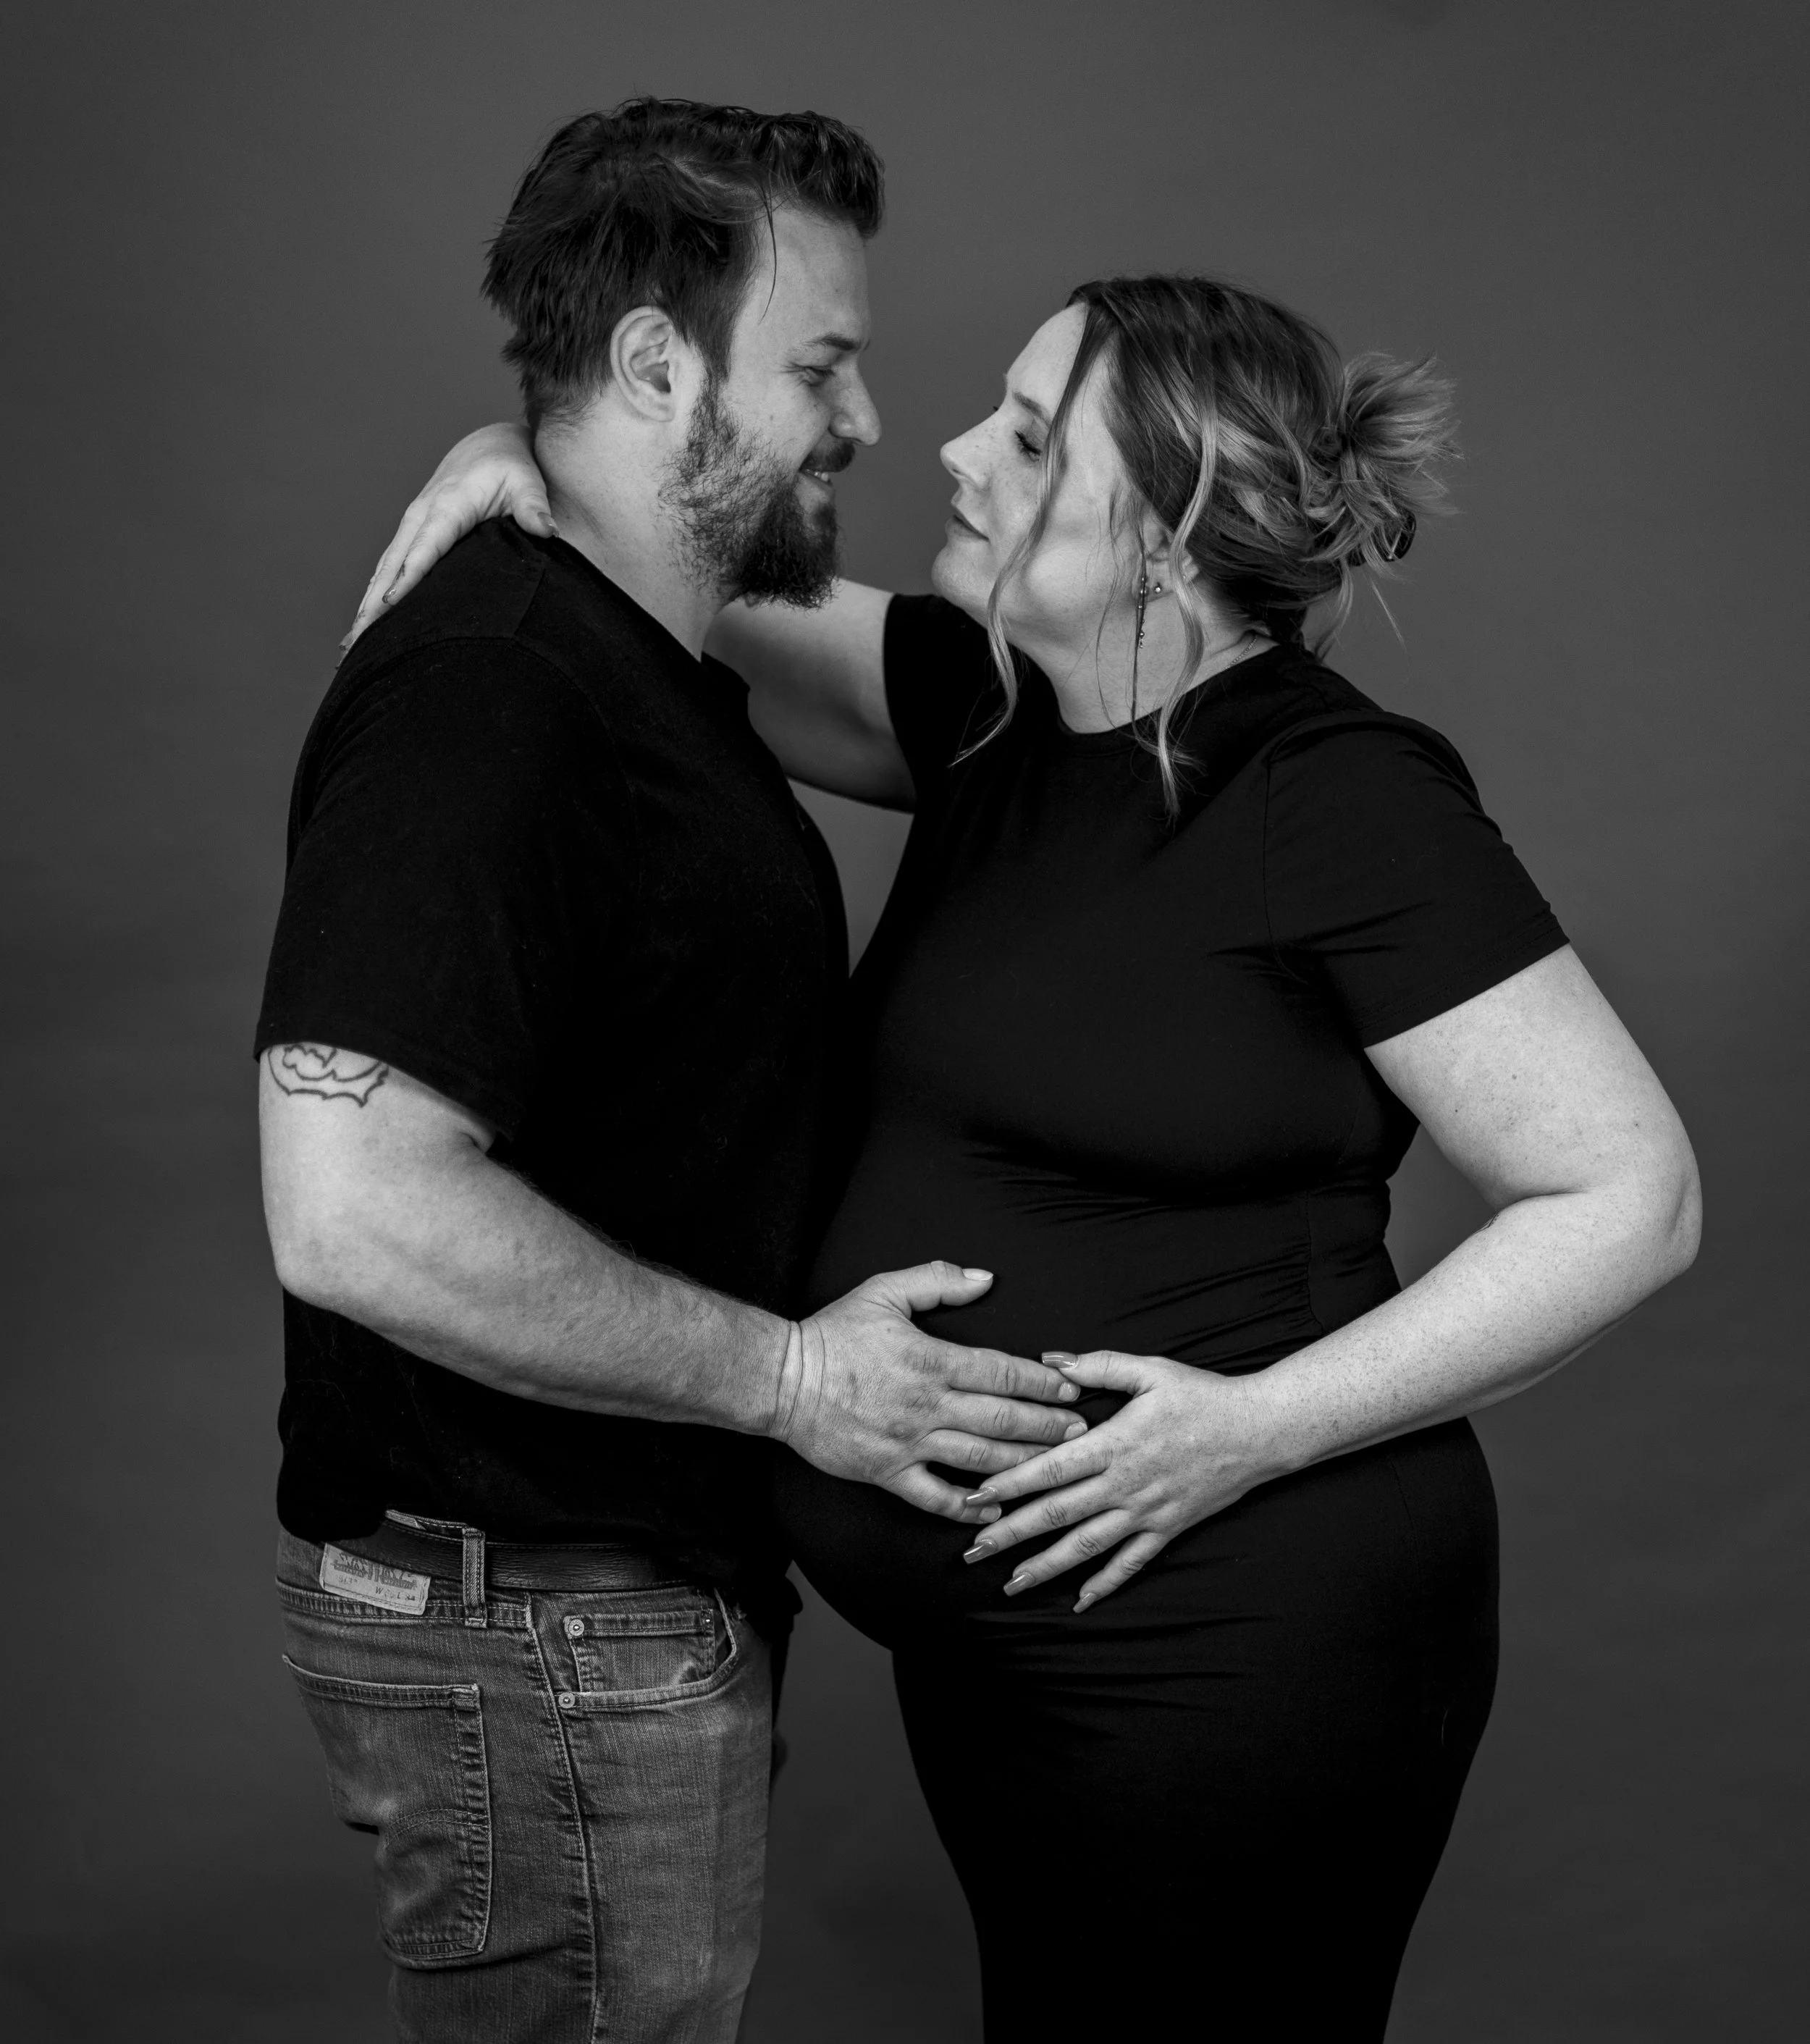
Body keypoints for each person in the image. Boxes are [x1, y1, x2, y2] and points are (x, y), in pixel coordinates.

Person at [355, 280, 1700, 2035]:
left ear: (1169, 524)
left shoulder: (1330, 798)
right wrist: (494, 454)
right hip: (1009, 1641)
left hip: (1235, 1624)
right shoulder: (984, 713)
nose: (956, 451)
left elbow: (1627, 1195)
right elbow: (640, 573)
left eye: (1028, 433)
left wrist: (1246, 1430)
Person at [257, 100, 1087, 2044]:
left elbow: (1023, 697)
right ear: (655, 361)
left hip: (598, 1620)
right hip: (537, 1618)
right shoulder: (493, 688)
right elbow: (354, 1206)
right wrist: (796, 1377)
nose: (867, 418)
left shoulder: (647, 650)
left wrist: (504, 448)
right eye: (820, 363)